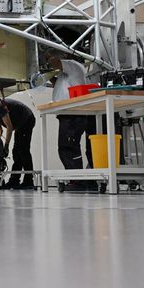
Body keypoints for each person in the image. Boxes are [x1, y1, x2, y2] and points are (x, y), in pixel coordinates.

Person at [46, 50, 97, 191]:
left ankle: (78, 181)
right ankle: (77, 179)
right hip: (68, 114)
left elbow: (55, 62)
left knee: (68, 147)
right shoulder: (66, 73)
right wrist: (49, 78)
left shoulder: (73, 65)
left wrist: (48, 54)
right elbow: (60, 84)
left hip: (73, 114)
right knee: (68, 147)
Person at [0, 98, 36, 189]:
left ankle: (29, 180)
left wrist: (6, 146)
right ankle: (14, 180)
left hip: (26, 119)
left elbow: (9, 127)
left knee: (23, 150)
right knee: (16, 151)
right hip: (19, 124)